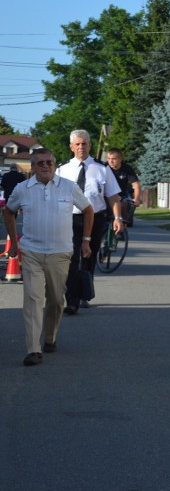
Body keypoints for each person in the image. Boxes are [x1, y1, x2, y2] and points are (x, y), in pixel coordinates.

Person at [3, 148, 93, 365]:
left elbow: (88, 210)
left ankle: (50, 337)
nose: (45, 166)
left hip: (60, 253)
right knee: (33, 300)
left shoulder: (68, 187)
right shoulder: (22, 189)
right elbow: (8, 211)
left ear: (54, 165)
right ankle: (33, 349)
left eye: (49, 162)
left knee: (55, 300)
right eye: (40, 163)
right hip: (32, 252)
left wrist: (86, 240)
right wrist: (14, 243)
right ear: (32, 167)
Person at [56, 129, 122, 314]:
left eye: (84, 143)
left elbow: (112, 196)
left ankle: (85, 291)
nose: (81, 147)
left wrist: (117, 218)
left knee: (89, 256)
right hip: (70, 218)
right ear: (71, 147)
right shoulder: (62, 169)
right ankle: (71, 300)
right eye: (77, 144)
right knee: (71, 257)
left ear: (90, 146)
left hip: (95, 217)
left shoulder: (102, 169)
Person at [107, 148, 142, 225]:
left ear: (120, 159)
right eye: (109, 158)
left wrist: (136, 199)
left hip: (122, 194)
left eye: (114, 159)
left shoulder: (127, 168)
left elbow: (136, 185)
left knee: (125, 205)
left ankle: (122, 228)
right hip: (107, 194)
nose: (111, 161)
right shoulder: (104, 167)